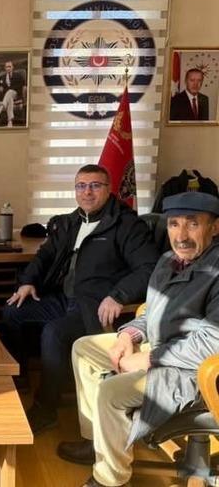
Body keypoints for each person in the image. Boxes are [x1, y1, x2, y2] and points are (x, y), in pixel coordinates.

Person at [57, 191, 219, 487]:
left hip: (196, 371)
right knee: (84, 348)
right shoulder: (169, 260)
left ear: (215, 227)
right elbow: (151, 311)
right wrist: (127, 336)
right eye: (174, 224)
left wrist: (148, 359)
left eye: (193, 224)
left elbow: (212, 343)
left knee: (111, 392)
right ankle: (98, 443)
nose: (181, 236)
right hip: (159, 347)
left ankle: (111, 479)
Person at [1, 164, 159, 433]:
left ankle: (46, 408)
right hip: (62, 298)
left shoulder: (127, 225)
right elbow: (45, 255)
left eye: (95, 185)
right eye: (81, 186)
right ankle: (21, 377)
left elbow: (149, 267)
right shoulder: (70, 222)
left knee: (54, 333)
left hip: (93, 306)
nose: (87, 192)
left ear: (109, 189)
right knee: (13, 311)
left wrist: (117, 296)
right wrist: (28, 281)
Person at [0, 60, 26, 127]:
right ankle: (10, 122)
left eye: (9, 66)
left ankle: (0, 109)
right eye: (7, 67)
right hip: (7, 97)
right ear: (5, 68)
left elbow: (22, 85)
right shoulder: (2, 77)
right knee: (9, 98)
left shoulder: (18, 76)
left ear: (12, 67)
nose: (8, 68)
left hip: (16, 95)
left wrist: (7, 89)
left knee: (10, 91)